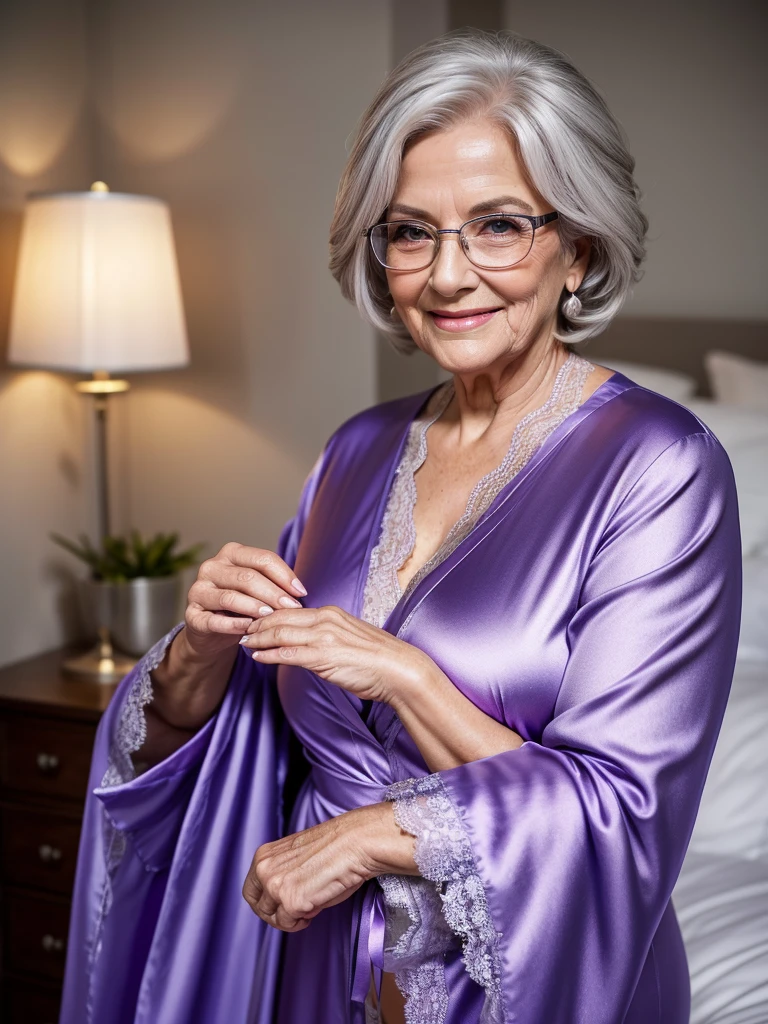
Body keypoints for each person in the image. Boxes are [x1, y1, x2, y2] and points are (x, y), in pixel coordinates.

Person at [60, 27, 742, 1024]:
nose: (448, 275)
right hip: (317, 961)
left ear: (580, 245)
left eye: (500, 225)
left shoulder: (661, 468)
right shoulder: (358, 450)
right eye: (412, 232)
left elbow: (622, 817)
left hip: (534, 982)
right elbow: (253, 732)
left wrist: (404, 689)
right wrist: (201, 654)